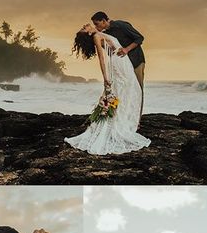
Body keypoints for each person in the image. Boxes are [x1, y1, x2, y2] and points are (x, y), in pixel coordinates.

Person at [64, 23, 150, 155]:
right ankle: (121, 123)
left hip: (122, 61)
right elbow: (101, 58)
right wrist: (105, 78)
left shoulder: (100, 33)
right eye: (84, 28)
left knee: (128, 89)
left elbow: (113, 48)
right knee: (123, 89)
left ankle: (126, 120)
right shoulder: (97, 36)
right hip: (118, 64)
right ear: (88, 33)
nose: (85, 25)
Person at [91, 11, 146, 92]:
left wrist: (126, 49)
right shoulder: (106, 34)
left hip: (136, 60)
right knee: (127, 90)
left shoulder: (121, 25)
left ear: (103, 21)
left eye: (96, 24)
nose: (95, 26)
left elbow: (140, 38)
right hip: (124, 65)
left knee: (138, 90)